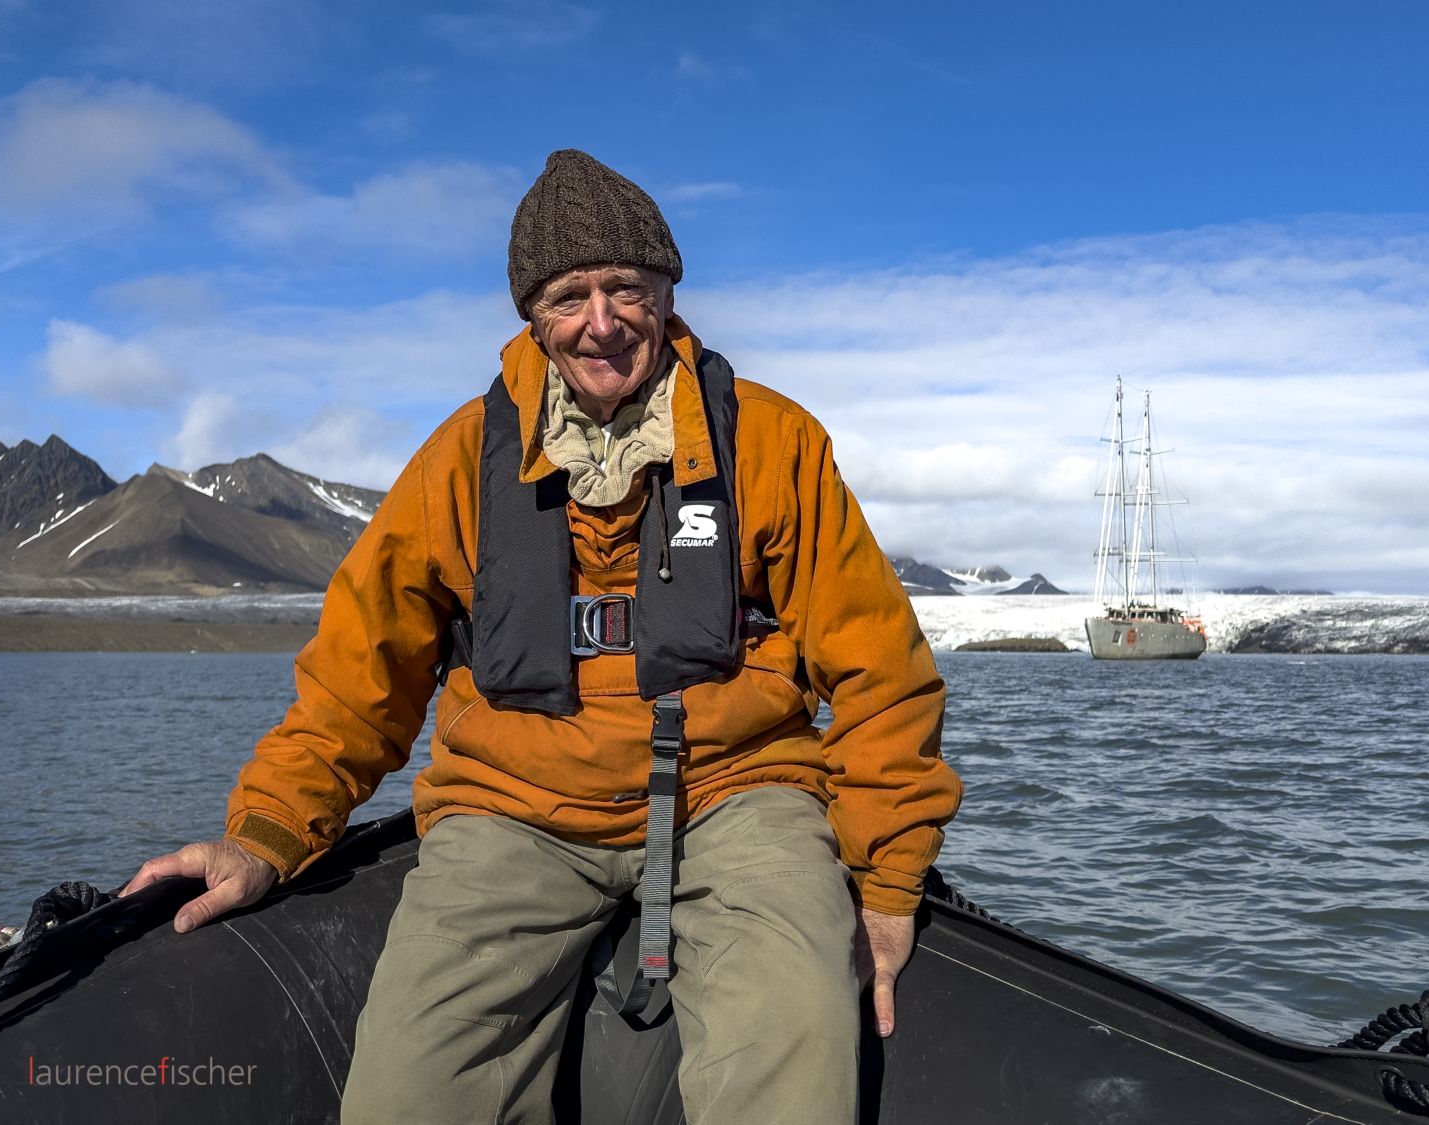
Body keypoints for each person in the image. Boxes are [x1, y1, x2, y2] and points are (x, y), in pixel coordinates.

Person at [121, 149, 962, 1123]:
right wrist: (264, 835)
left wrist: (888, 876)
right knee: (405, 1096)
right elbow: (359, 681)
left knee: (796, 1060)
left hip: (737, 793)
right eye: (570, 296)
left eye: (626, 288)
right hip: (508, 805)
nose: (601, 321)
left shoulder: (771, 444)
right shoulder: (454, 464)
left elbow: (880, 669)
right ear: (533, 316)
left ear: (667, 292)